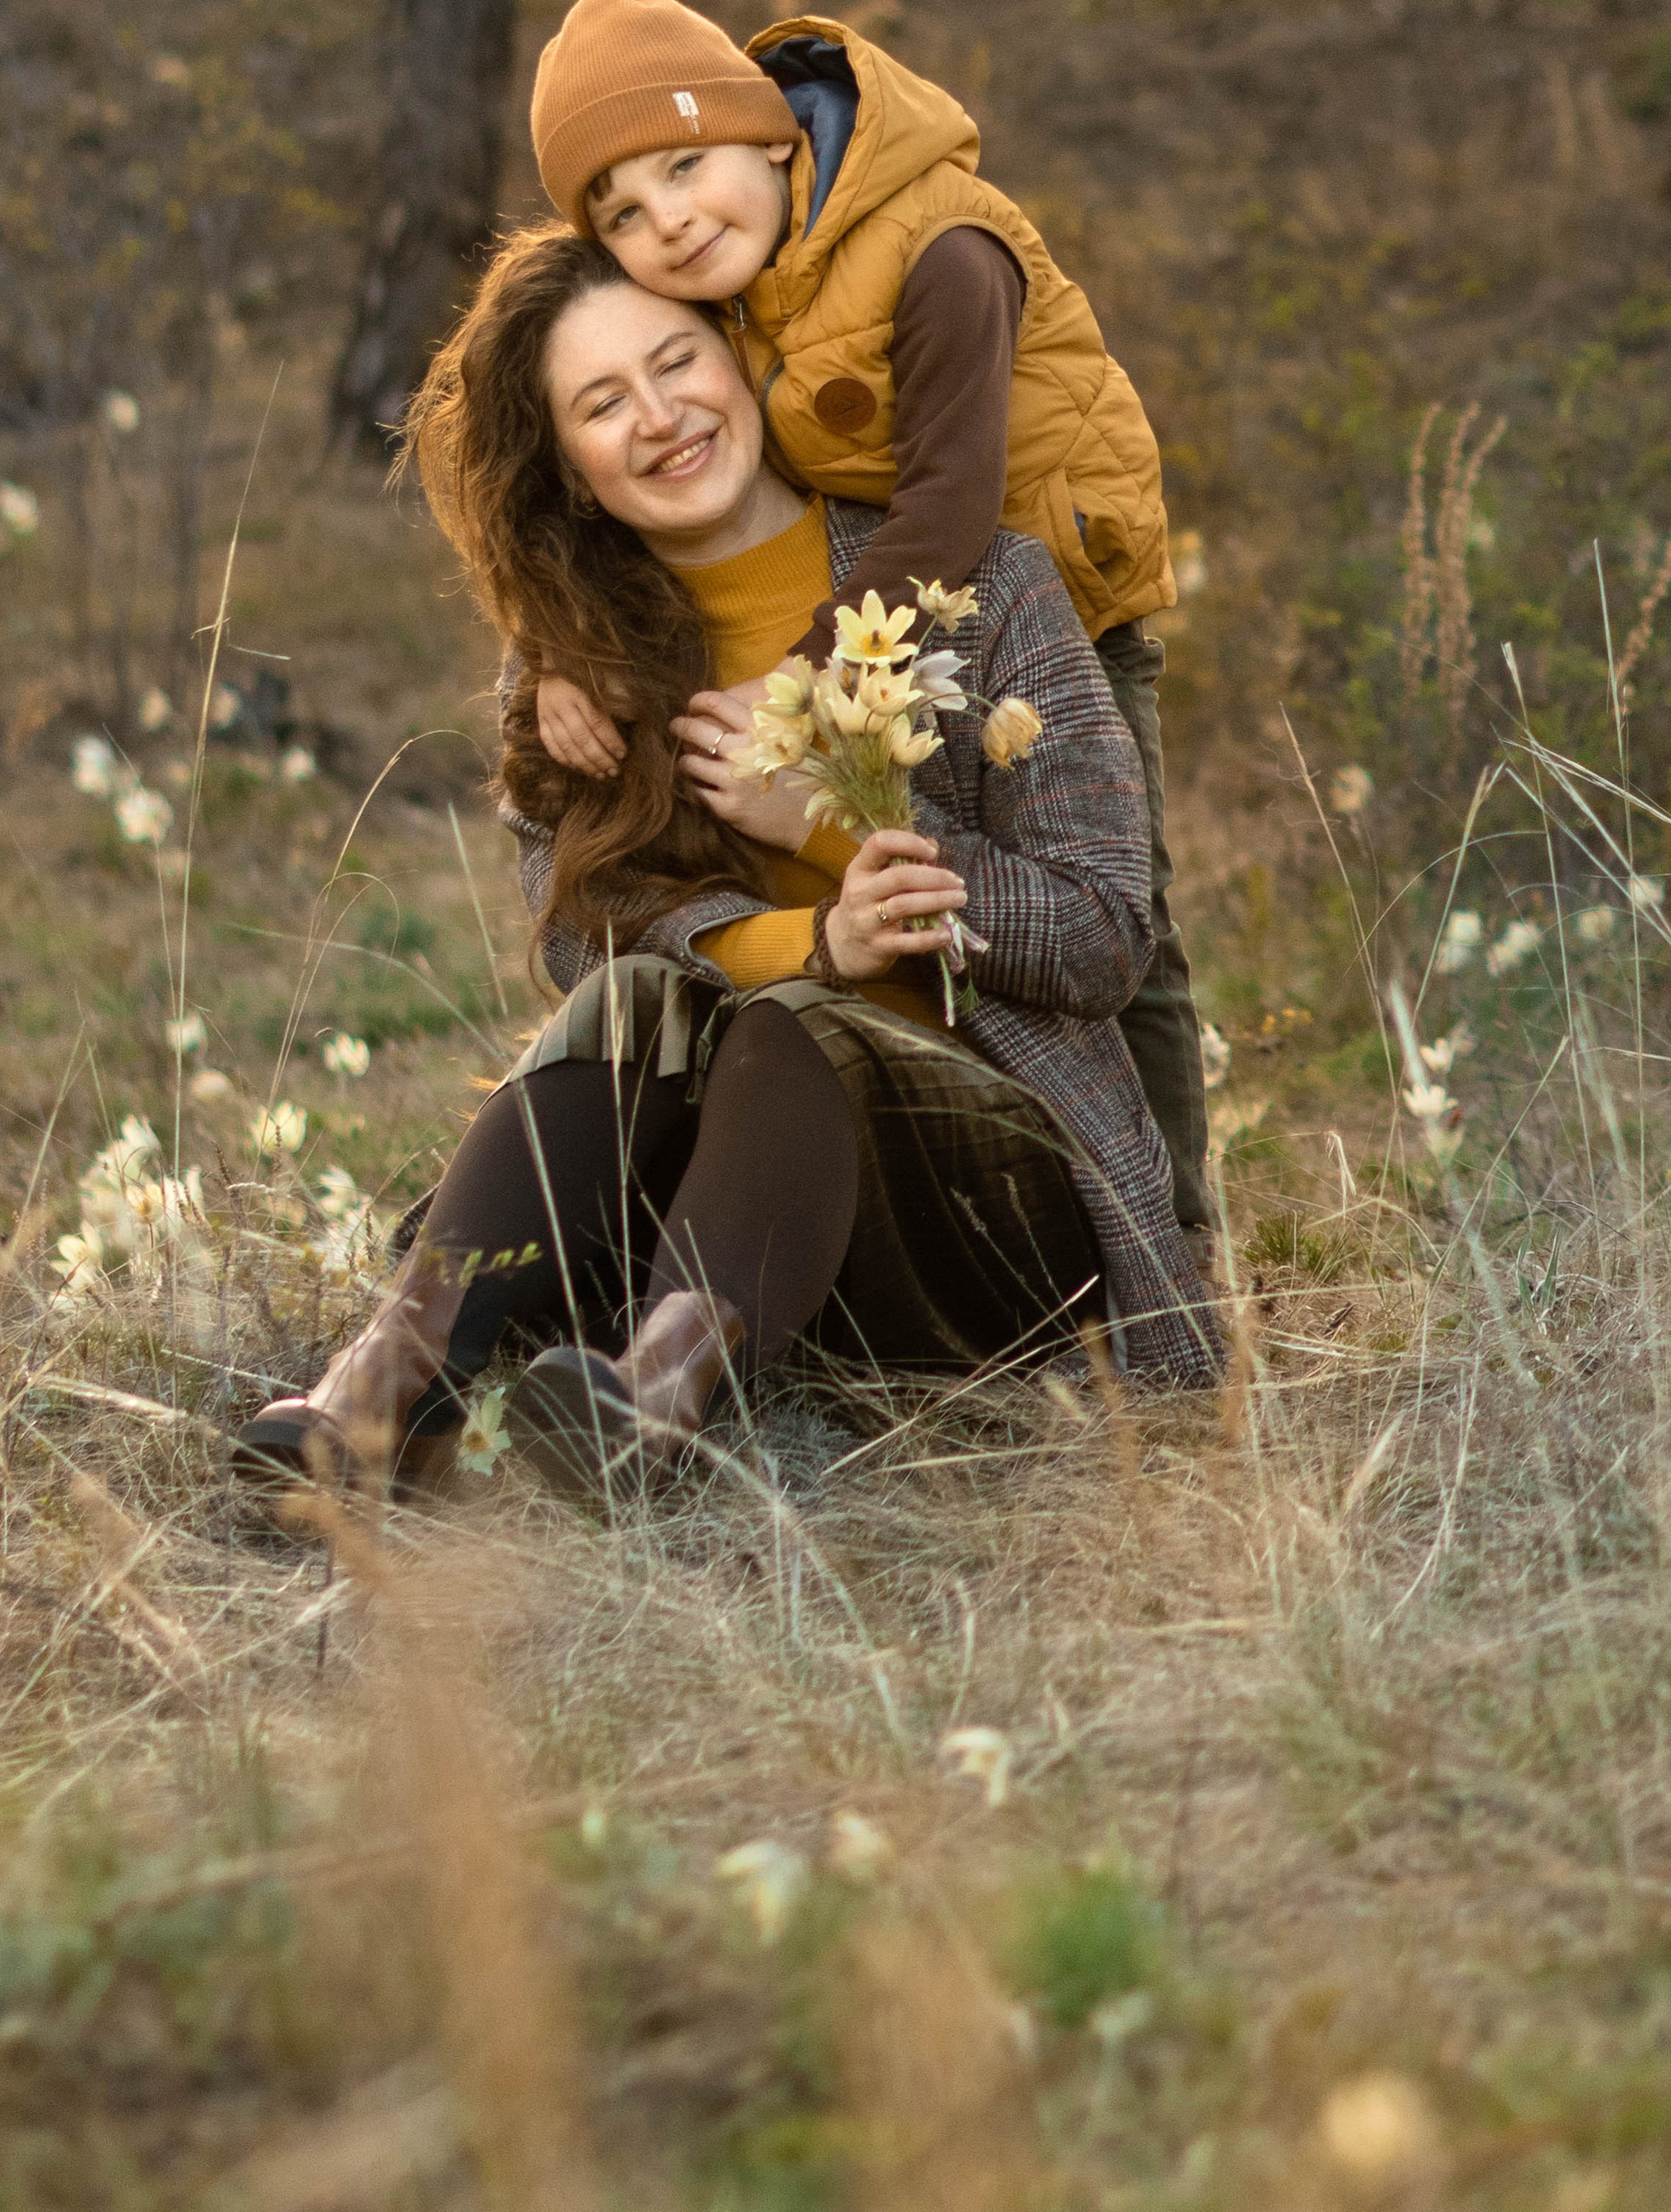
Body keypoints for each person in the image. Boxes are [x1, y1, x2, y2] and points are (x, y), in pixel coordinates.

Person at [234, 229, 1220, 1504]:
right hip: (749, 1225)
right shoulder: (575, 677)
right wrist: (814, 944)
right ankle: (385, 1385)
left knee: (795, 1024)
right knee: (645, 998)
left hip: (1006, 1218)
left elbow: (1103, 932)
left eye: (675, 360)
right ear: (572, 468)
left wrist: (826, 814)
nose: (659, 417)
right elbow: (586, 941)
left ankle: (659, 1406)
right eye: (602, 403)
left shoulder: (982, 590)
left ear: (742, 358)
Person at [520, 0, 1213, 1230]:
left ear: (774, 129)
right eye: (622, 210)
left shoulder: (945, 248)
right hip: (901, 601)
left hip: (1053, 601)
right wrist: (554, 649)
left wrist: (795, 701)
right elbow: (643, 486)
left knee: (1128, 927)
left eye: (682, 166)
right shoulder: (753, 266)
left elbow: (949, 510)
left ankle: (1177, 1234)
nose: (666, 223)